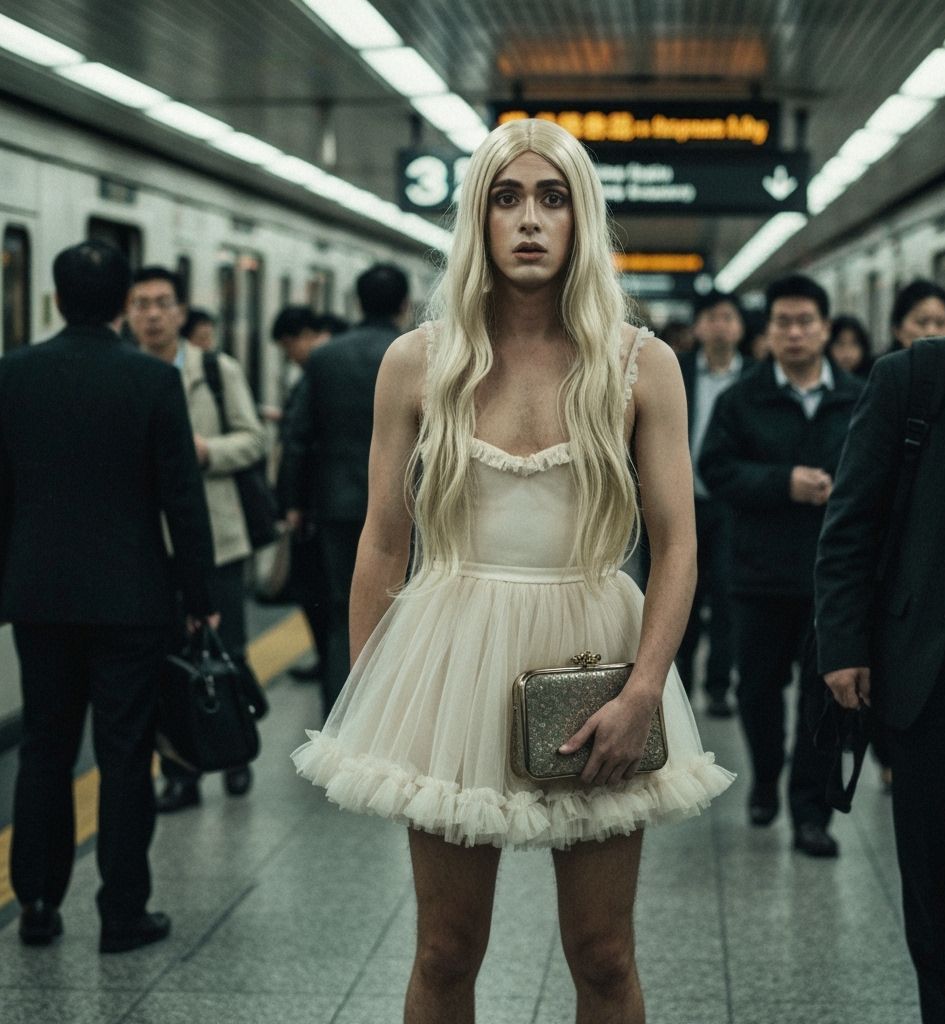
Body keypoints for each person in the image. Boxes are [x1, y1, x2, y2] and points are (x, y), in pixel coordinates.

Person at [291, 118, 734, 1023]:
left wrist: (647, 689)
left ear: (581, 219)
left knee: (604, 955)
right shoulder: (418, 361)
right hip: (449, 650)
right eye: (506, 198)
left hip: (597, 653)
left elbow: (678, 541)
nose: (529, 219)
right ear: (478, 220)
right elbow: (383, 542)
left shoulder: (641, 365)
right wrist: (377, 706)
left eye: (552, 197)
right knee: (447, 952)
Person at [815, 210, 945, 1024]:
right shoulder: (917, 379)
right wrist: (843, 647)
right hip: (940, 666)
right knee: (939, 879)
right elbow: (852, 523)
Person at [0, 241, 216, 952]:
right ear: (126, 302)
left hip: (38, 598)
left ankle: (35, 903)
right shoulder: (151, 381)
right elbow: (183, 499)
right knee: (124, 755)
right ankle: (122, 913)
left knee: (43, 749)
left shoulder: (12, 376)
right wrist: (200, 592)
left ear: (57, 300)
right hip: (132, 597)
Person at [699, 273, 863, 858]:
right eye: (783, 322)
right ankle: (767, 774)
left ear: (825, 327)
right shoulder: (742, 398)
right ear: (767, 331)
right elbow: (714, 471)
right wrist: (782, 483)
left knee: (823, 698)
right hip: (758, 573)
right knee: (758, 692)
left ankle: (810, 813)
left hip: (831, 580)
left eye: (805, 322)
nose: (794, 333)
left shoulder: (858, 397)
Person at [129, 266, 266, 812]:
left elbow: (253, 440)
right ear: (127, 312)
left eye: (163, 303)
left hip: (216, 538)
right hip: (148, 544)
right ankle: (180, 773)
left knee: (224, 650)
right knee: (168, 663)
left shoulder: (215, 369)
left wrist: (207, 452)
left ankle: (233, 752)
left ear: (182, 313)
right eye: (141, 304)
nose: (153, 314)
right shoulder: (125, 372)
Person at [279, 264, 410, 718]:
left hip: (337, 502)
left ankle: (341, 710)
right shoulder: (415, 354)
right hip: (407, 504)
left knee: (341, 609)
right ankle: (395, 710)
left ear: (357, 303)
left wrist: (293, 502)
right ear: (402, 305)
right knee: (405, 608)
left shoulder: (325, 357)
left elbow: (299, 437)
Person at [676, 289, 750, 717]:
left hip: (730, 507)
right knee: (676, 594)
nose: (720, 325)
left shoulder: (754, 379)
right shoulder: (678, 371)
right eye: (712, 317)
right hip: (678, 503)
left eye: (729, 316)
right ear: (698, 326)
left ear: (739, 327)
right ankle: (676, 683)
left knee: (725, 596)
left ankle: (718, 686)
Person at [270, 305, 334, 682]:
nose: (289, 356)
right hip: (335, 501)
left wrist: (290, 503)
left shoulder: (318, 369)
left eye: (287, 346)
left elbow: (298, 442)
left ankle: (330, 666)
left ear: (302, 336)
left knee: (315, 590)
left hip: (315, 505)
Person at [889, 279, 945, 351]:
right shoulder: (882, 362)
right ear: (897, 329)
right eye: (921, 322)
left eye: (940, 323)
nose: (931, 332)